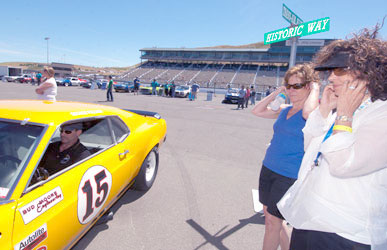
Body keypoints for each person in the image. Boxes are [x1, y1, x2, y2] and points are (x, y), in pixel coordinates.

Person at [278, 25, 387, 250]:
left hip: (346, 232)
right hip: (311, 218)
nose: (330, 78)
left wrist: (345, 114)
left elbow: (342, 165)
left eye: (337, 71)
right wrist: (324, 111)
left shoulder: (381, 114)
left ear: (365, 73)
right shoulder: (342, 109)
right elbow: (310, 149)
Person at [252, 63, 319, 250]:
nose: (292, 90)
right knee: (272, 219)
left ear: (308, 86)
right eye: (289, 86)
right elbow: (256, 111)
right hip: (268, 168)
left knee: (273, 222)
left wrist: (315, 89)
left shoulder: (312, 113)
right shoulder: (284, 109)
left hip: (289, 174)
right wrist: (278, 92)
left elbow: (309, 112)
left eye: (297, 86)